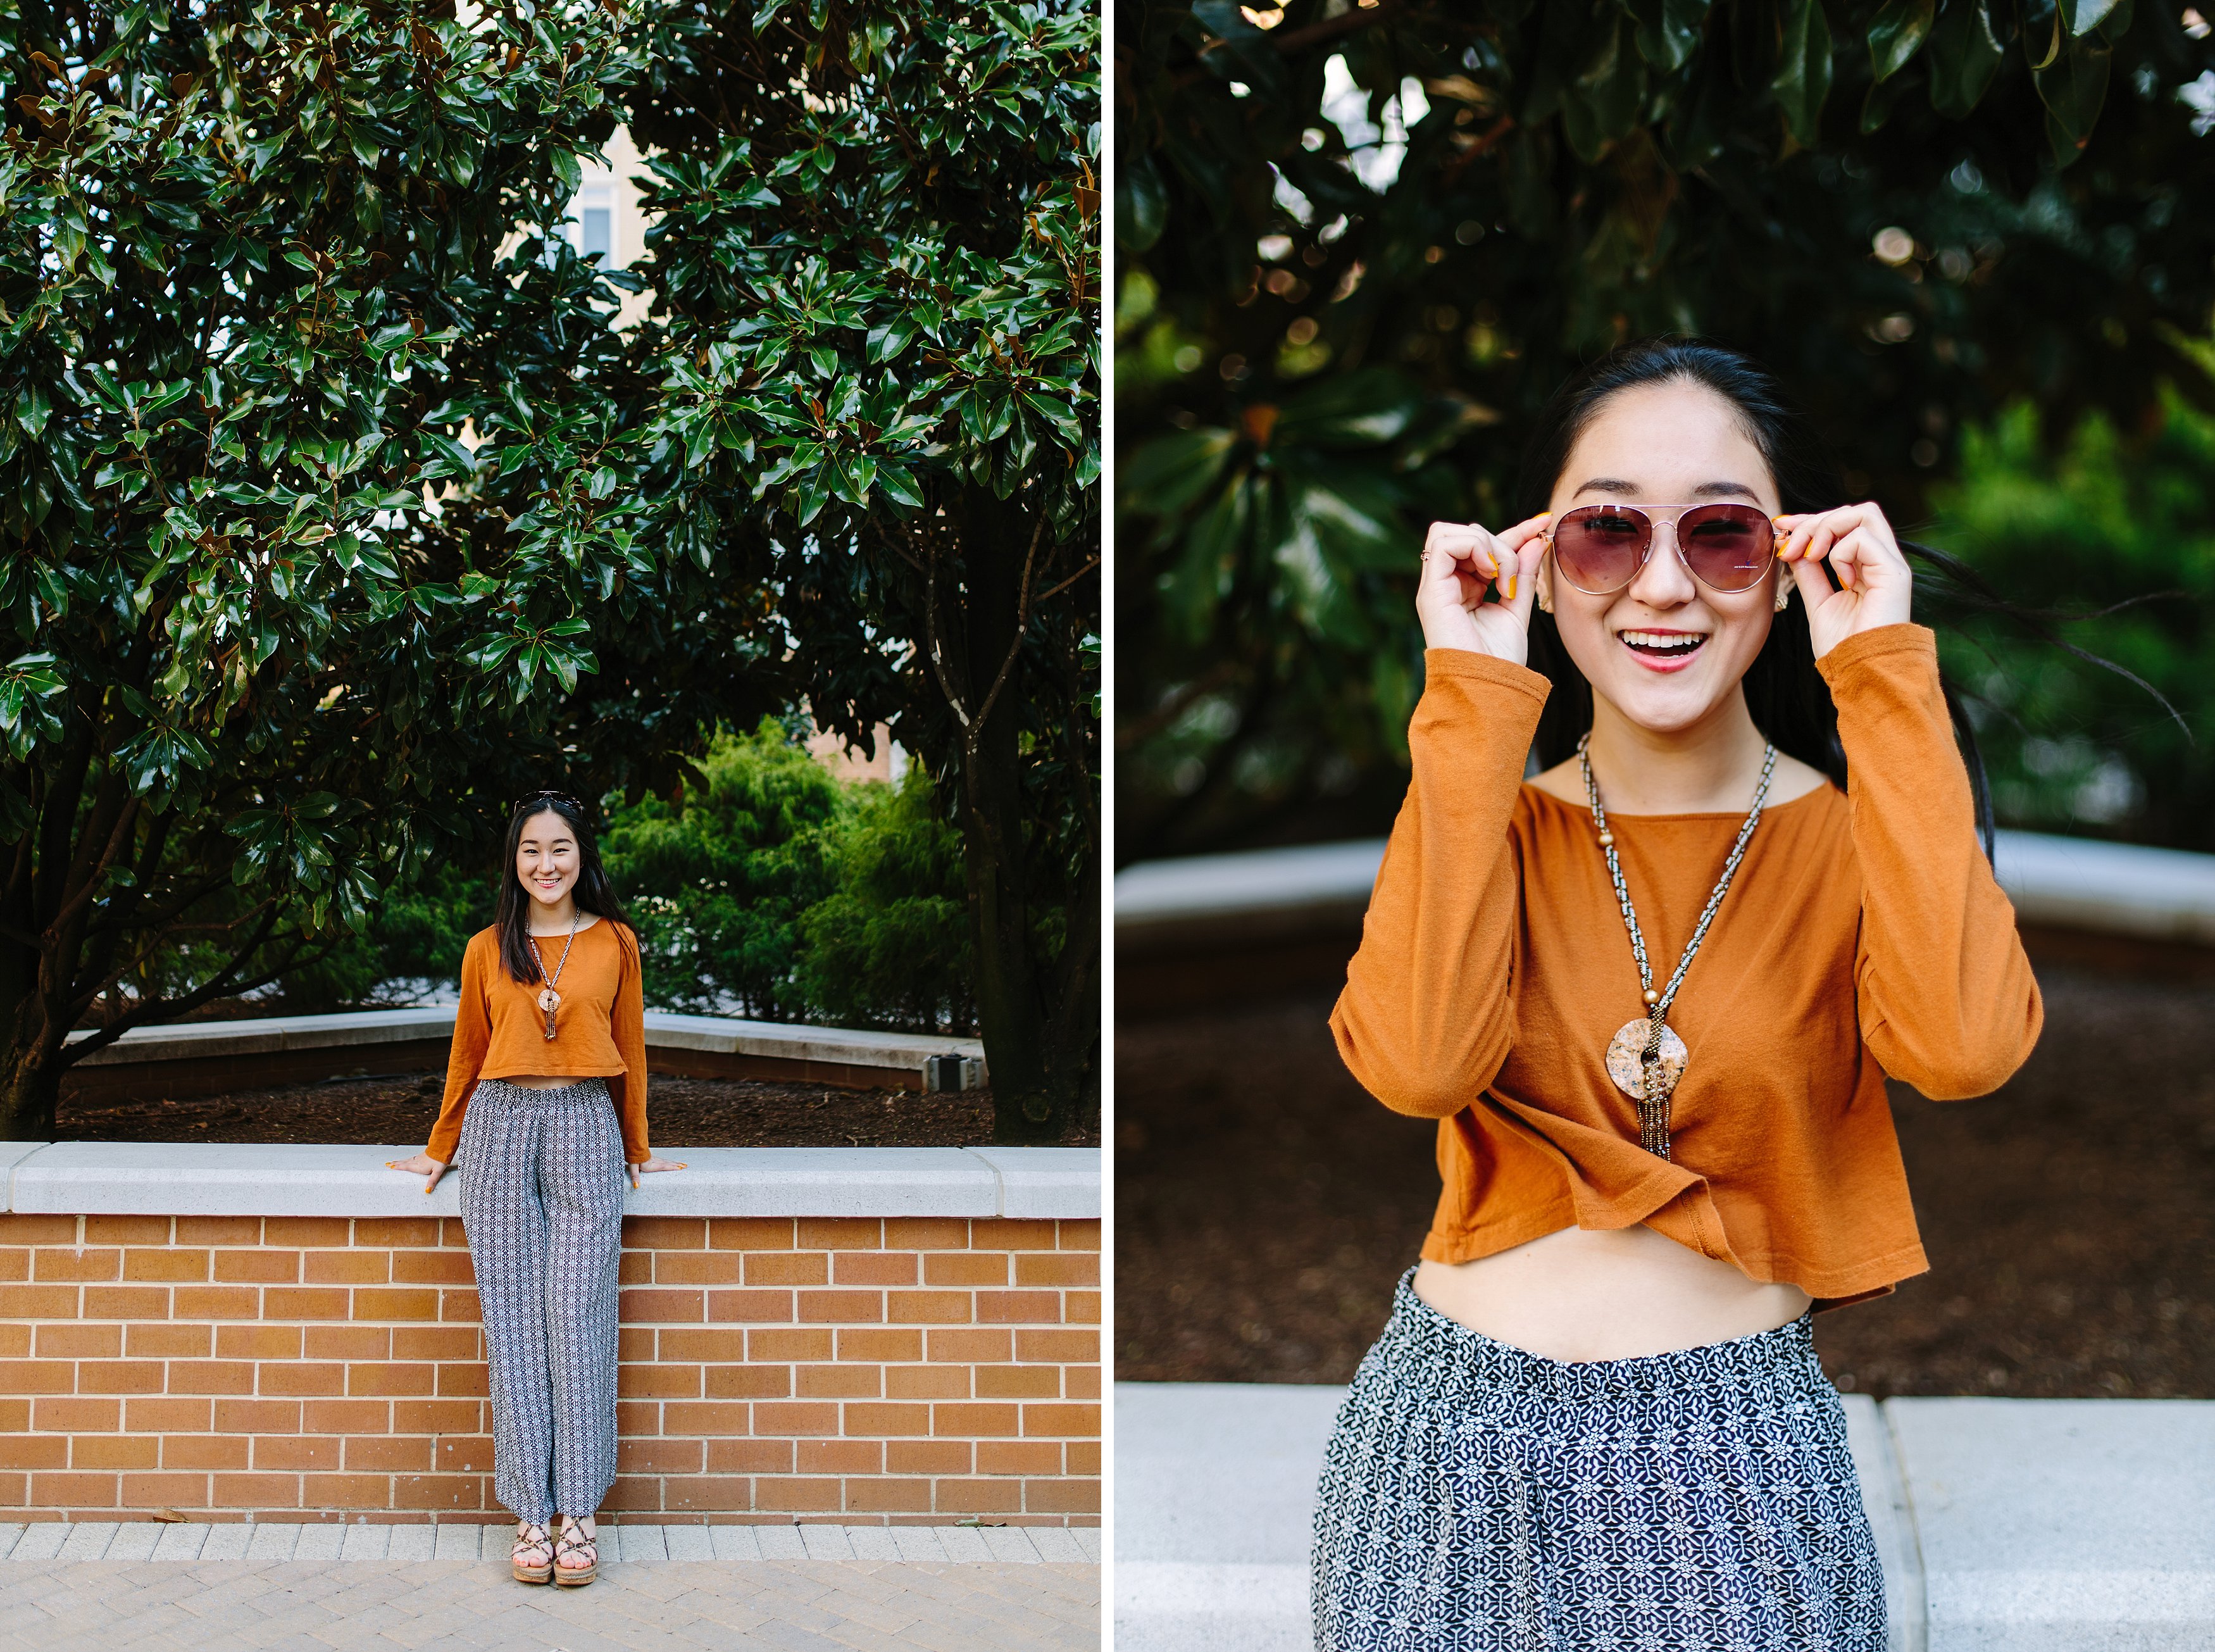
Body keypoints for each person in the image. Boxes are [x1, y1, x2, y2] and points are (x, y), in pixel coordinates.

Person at [1310, 339, 2042, 1649]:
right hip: (1439, 1454)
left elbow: (1967, 1045)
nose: (1660, 585)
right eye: (1603, 534)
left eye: (1719, 535)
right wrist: (1472, 687)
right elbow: (1417, 1062)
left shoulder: (1845, 838)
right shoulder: (1489, 819)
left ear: (1786, 562)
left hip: (1735, 1458)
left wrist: (1876, 664)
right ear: (1538, 559)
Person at [386, 791, 686, 1586]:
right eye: (530, 850)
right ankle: (529, 1512)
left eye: (558, 848)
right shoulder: (489, 947)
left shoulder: (616, 941)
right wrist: (438, 1147)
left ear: (581, 855)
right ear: (512, 860)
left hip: (585, 1121)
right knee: (513, 1320)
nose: (545, 864)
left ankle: (579, 1513)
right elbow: (466, 1050)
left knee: (577, 1313)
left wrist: (638, 1147)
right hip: (498, 1127)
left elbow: (631, 1048)